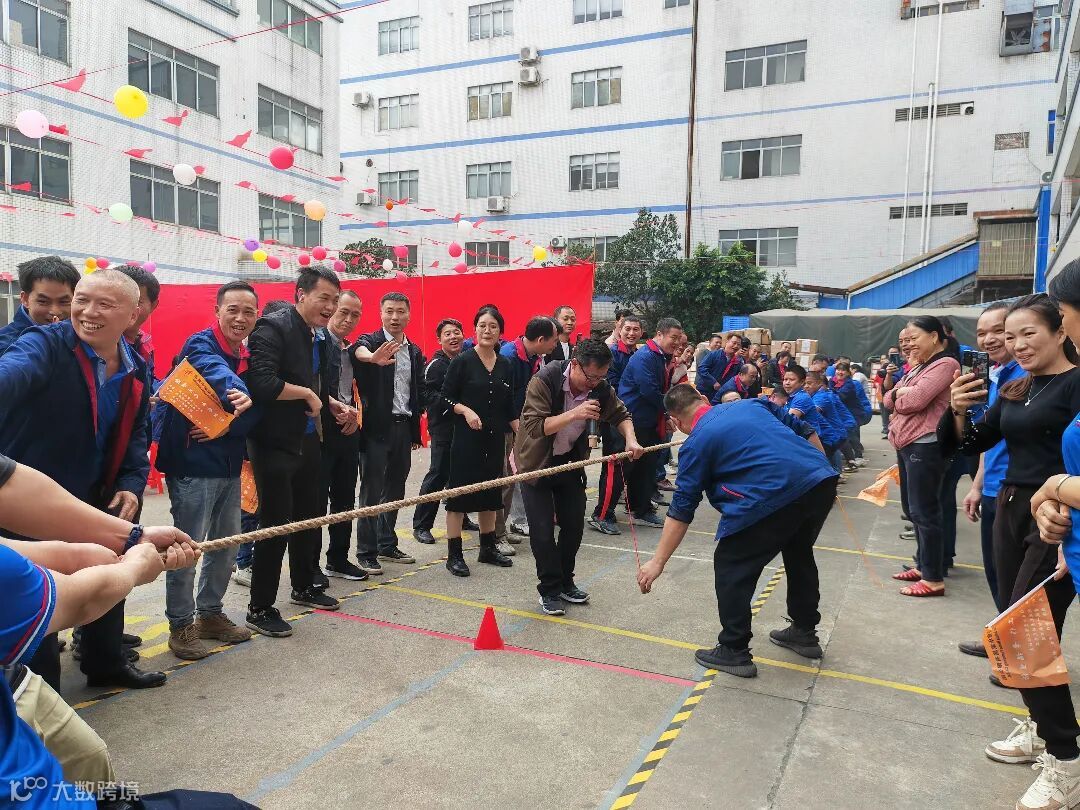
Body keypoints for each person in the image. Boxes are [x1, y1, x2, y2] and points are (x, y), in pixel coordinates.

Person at [0, 452, 261, 810]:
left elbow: (10, 491)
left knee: (88, 754)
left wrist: (130, 538)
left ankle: (107, 800)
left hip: (12, 680)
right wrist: (134, 567)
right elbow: (79, 600)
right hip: (23, 796)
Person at [945, 290, 1080, 810]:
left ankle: (1066, 757)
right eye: (1010, 336)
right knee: (1024, 623)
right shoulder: (1017, 386)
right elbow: (970, 443)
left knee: (1020, 630)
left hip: (1057, 516)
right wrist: (958, 411)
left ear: (1060, 331)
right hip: (1011, 507)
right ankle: (1041, 727)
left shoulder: (1076, 384)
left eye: (1029, 333)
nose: (1017, 344)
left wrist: (1068, 516)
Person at [0, 270, 161, 690]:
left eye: (104, 304)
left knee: (111, 573)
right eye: (82, 300)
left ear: (133, 314)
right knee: (40, 602)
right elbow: (10, 374)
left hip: (98, 495)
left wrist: (130, 483)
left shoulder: (136, 366)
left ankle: (105, 663)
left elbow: (136, 434)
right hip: (33, 502)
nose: (88, 312)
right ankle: (39, 697)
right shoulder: (44, 344)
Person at [637, 385, 837, 679]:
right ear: (704, 399)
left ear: (676, 422)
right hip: (821, 481)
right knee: (799, 553)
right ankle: (804, 632)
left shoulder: (695, 443)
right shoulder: (752, 404)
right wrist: (816, 472)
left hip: (774, 494)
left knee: (731, 564)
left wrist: (657, 562)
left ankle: (734, 648)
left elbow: (682, 509)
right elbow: (805, 428)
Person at [156, 281, 261, 660]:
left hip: (230, 466)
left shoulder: (248, 354)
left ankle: (211, 614)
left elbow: (258, 412)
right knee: (187, 549)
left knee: (225, 545)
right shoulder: (199, 345)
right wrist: (236, 389)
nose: (240, 318)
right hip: (192, 466)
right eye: (232, 309)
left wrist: (227, 424)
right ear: (217, 311)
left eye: (248, 312)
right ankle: (181, 625)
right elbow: (213, 370)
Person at [245, 266, 346, 638]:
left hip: (307, 438)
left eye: (334, 300)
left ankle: (304, 585)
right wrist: (306, 395)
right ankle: (260, 607)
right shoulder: (272, 327)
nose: (330, 307)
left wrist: (329, 402)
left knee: (309, 515)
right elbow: (261, 381)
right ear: (301, 294)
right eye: (324, 298)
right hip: (274, 441)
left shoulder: (315, 334)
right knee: (276, 524)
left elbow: (312, 382)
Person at [517, 339, 644, 614]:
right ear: (575, 364)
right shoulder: (544, 379)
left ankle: (566, 581)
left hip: (569, 462)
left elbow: (621, 414)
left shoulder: (599, 387)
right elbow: (536, 427)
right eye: (591, 377)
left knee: (573, 526)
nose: (594, 383)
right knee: (542, 531)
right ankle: (549, 589)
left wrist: (631, 439)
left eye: (601, 377)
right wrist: (574, 413)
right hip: (536, 463)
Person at [956, 303, 1021, 659]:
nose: (990, 339)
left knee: (1016, 578)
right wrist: (978, 485)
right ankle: (1004, 637)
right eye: (982, 333)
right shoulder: (996, 376)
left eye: (999, 330)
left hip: (1019, 490)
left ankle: (1016, 650)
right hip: (994, 488)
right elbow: (987, 438)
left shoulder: (1028, 378)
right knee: (997, 572)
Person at [883, 315, 960, 597]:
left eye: (914, 338)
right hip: (908, 444)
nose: (909, 344)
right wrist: (900, 393)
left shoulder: (945, 364)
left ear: (934, 336)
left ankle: (933, 578)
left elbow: (915, 400)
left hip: (925, 445)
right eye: (905, 340)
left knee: (925, 511)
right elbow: (887, 399)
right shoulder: (919, 366)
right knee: (913, 509)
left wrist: (901, 394)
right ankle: (923, 564)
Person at [352, 292, 425, 574]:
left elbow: (416, 388)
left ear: (409, 315)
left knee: (396, 488)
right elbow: (357, 350)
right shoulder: (370, 342)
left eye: (400, 311)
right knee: (371, 491)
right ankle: (366, 551)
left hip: (403, 427)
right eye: (390, 311)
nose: (395, 317)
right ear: (381, 314)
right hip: (375, 429)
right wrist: (372, 358)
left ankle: (386, 543)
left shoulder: (414, 351)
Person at [441, 306, 517, 576]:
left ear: (500, 332)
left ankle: (487, 548)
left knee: (491, 494)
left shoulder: (506, 364)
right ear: (474, 330)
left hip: (494, 439)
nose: (487, 330)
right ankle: (454, 555)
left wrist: (522, 436)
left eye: (493, 326)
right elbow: (445, 397)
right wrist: (465, 410)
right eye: (482, 325)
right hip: (466, 440)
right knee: (458, 497)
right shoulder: (462, 361)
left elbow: (509, 406)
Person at [232, 298, 292, 586]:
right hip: (249, 443)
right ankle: (243, 561)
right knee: (250, 505)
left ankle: (247, 557)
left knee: (262, 505)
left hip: (269, 440)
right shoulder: (251, 354)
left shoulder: (276, 353)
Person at [496, 315, 560, 551]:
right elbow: (505, 398)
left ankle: (501, 530)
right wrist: (520, 428)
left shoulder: (533, 357)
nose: (556, 345)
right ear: (541, 339)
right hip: (506, 428)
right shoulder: (509, 357)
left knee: (513, 479)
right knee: (504, 481)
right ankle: (495, 536)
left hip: (520, 425)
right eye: (554, 340)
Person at [318, 289, 366, 583]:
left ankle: (338, 558)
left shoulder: (352, 349)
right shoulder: (317, 344)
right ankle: (309, 567)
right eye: (343, 312)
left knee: (345, 498)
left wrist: (355, 416)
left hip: (349, 431)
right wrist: (334, 410)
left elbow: (356, 392)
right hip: (321, 432)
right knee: (314, 502)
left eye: (355, 315)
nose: (348, 319)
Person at [619, 317, 685, 528]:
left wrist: (665, 415)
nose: (677, 342)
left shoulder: (661, 356)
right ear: (659, 334)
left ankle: (640, 507)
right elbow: (649, 391)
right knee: (627, 468)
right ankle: (604, 514)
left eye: (679, 338)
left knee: (646, 467)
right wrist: (673, 410)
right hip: (635, 420)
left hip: (649, 419)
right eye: (673, 337)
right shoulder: (645, 356)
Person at [589, 315, 643, 536]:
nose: (631, 333)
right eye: (627, 329)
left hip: (630, 419)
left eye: (636, 329)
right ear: (619, 330)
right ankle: (601, 514)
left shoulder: (637, 355)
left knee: (626, 468)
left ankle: (612, 509)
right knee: (614, 467)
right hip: (614, 419)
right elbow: (613, 390)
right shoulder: (611, 355)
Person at [413, 318, 465, 545]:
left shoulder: (464, 360)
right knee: (438, 475)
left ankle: (461, 516)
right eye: (448, 334)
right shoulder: (436, 365)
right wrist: (452, 406)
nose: (453, 337)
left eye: (456, 332)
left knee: (460, 475)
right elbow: (427, 395)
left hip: (464, 428)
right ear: (439, 340)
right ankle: (421, 525)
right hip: (443, 428)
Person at [0, 255, 79, 354]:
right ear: (25, 299)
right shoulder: (6, 346)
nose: (55, 311)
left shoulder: (84, 337)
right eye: (43, 301)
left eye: (64, 302)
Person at [116, 264, 161, 383]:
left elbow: (149, 382)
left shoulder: (144, 342)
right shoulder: (97, 345)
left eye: (136, 302)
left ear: (153, 305)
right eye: (114, 300)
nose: (123, 309)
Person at [802, 371, 851, 474]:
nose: (806, 386)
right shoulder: (816, 395)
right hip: (832, 433)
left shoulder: (821, 396)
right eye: (804, 383)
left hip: (834, 433)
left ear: (819, 384)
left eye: (809, 383)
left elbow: (811, 411)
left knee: (827, 456)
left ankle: (837, 473)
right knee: (830, 456)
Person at [832, 361, 870, 462]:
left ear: (848, 372)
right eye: (838, 369)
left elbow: (841, 396)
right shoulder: (832, 381)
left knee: (852, 434)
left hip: (854, 413)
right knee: (846, 434)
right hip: (843, 413)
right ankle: (850, 456)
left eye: (843, 370)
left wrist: (829, 393)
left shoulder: (850, 384)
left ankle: (858, 456)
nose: (840, 372)